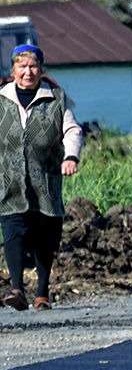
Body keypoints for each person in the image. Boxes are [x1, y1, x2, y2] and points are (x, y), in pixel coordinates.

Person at [0, 44, 82, 311]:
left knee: (45, 237)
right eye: (22, 66)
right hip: (9, 182)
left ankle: (42, 291)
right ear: (13, 70)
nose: (28, 72)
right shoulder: (2, 98)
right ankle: (17, 289)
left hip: (45, 182)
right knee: (13, 231)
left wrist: (71, 156)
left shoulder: (56, 98)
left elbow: (72, 130)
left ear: (41, 69)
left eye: (33, 66)